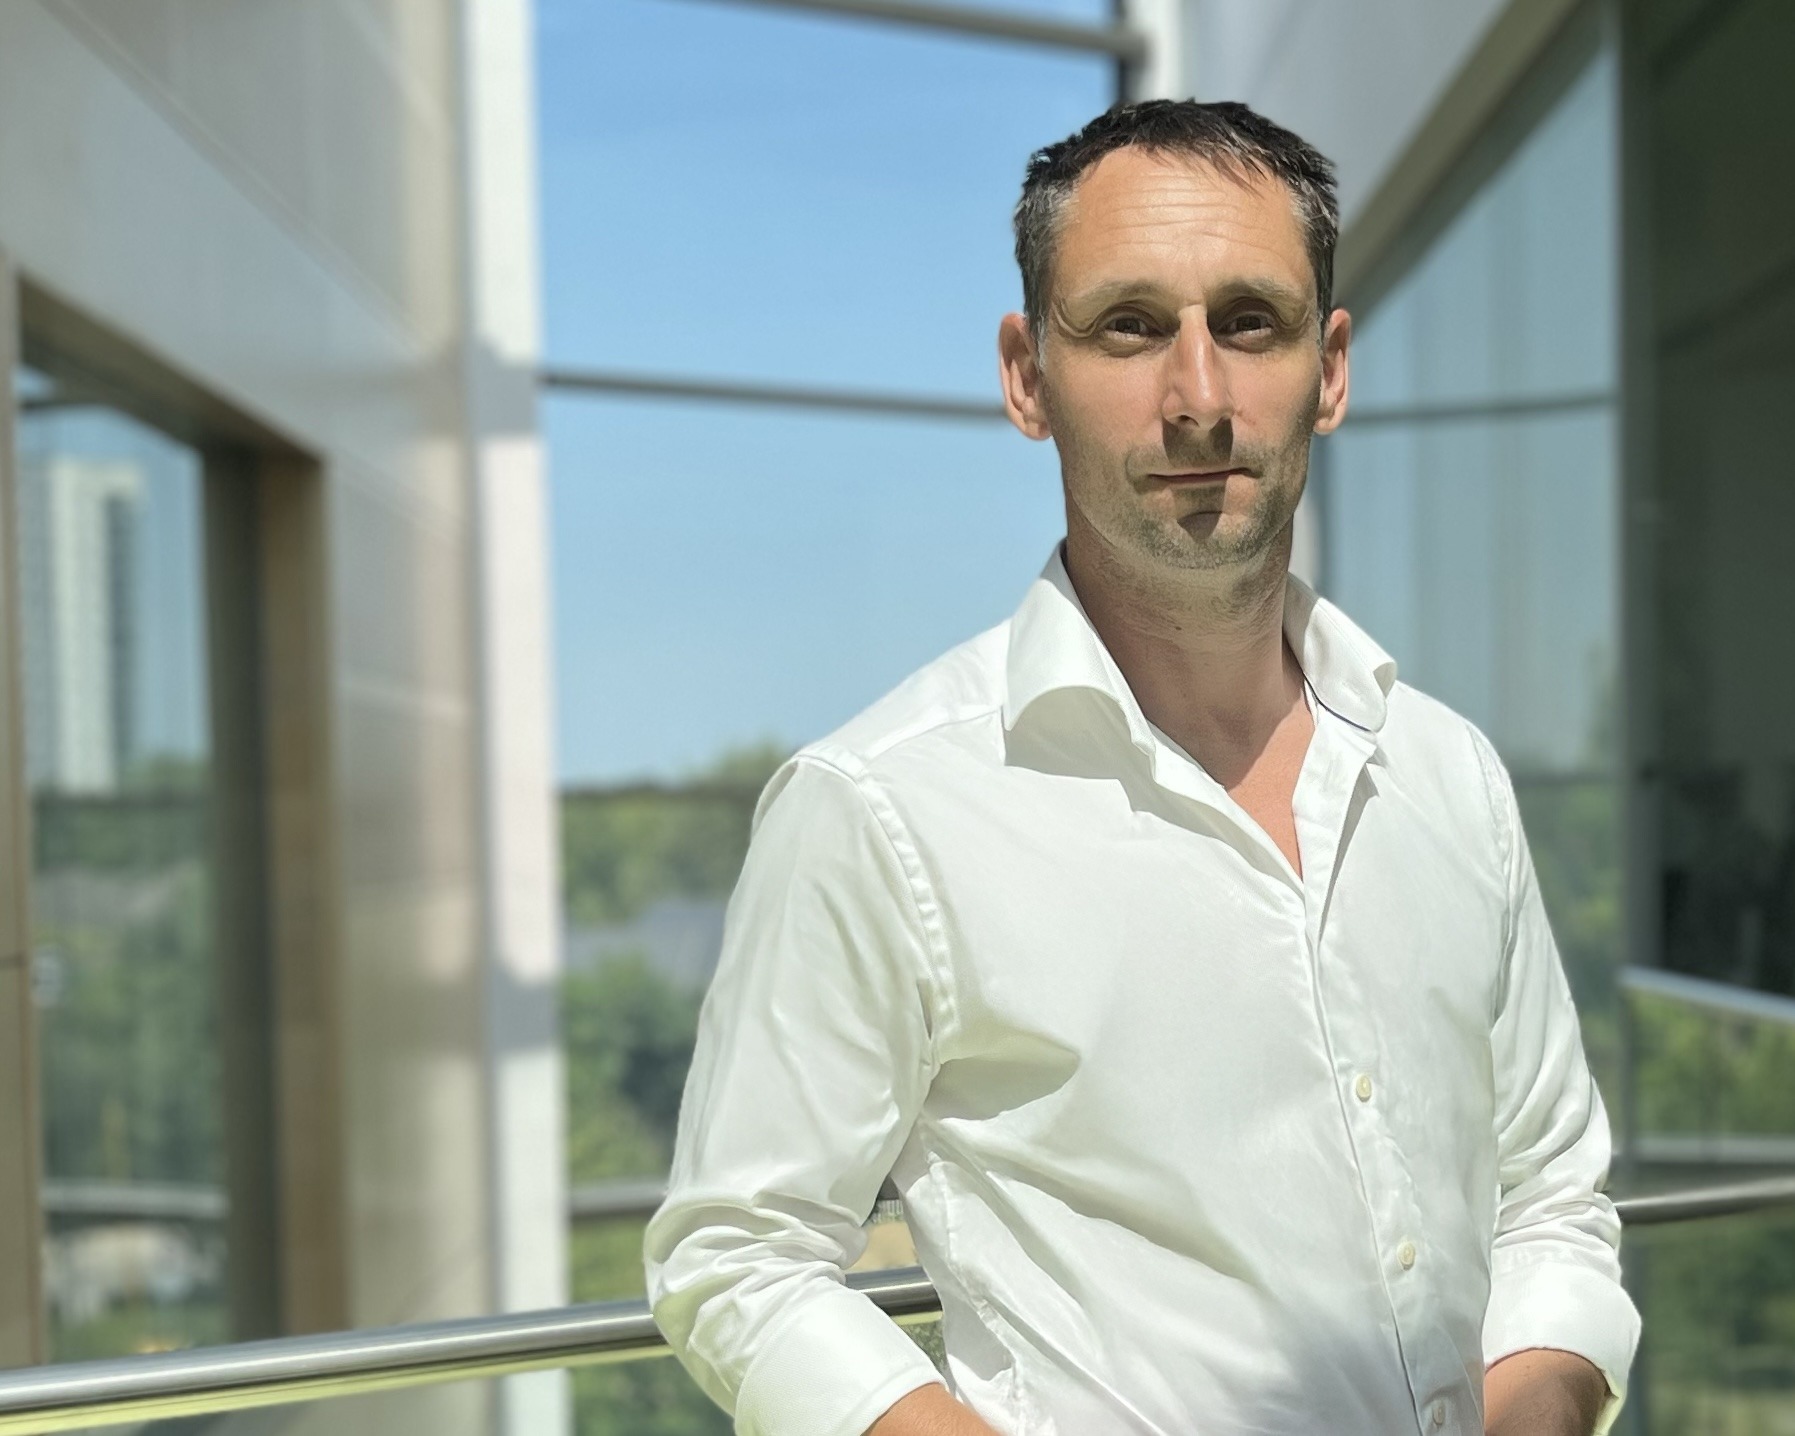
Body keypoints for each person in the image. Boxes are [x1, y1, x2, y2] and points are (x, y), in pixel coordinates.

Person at [644, 99, 1639, 1436]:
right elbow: (740, 1256)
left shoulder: (1447, 772)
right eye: (1128, 326)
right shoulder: (879, 809)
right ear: (1026, 375)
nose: (1199, 398)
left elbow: (1554, 1198)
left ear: (1330, 370)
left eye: (1251, 322)